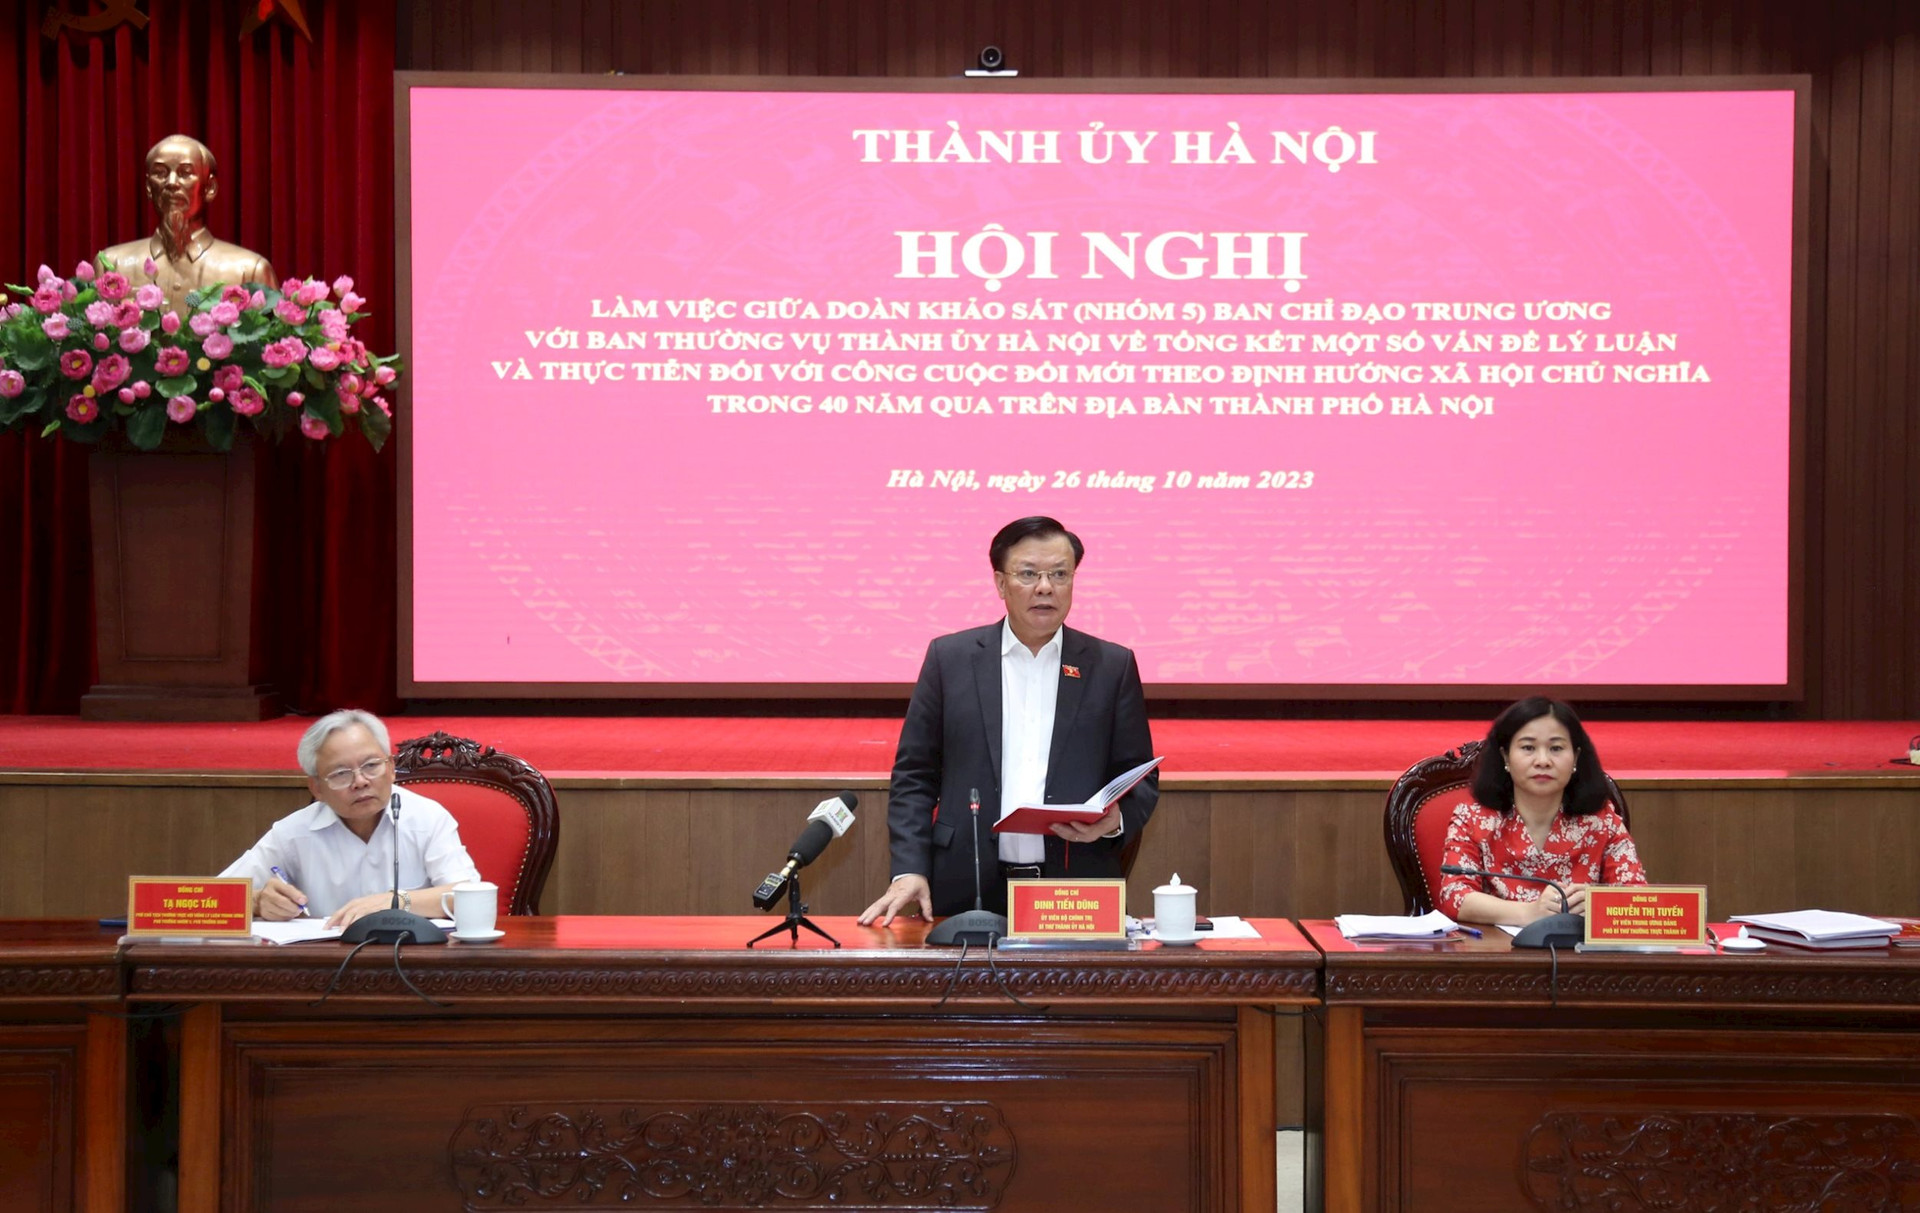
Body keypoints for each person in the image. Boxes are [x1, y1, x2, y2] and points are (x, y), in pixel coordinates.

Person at [859, 516, 1158, 924]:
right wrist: (909, 867)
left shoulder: (1111, 666)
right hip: (966, 885)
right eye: (1028, 574)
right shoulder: (950, 660)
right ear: (1001, 584)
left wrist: (1115, 821)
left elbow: (1140, 777)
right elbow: (915, 775)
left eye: (1060, 574)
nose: (1045, 587)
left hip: (1073, 892)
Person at [221, 710, 479, 928]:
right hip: (326, 967)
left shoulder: (428, 818)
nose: (360, 781)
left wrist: (396, 901)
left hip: (411, 963)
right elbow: (211, 899)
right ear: (317, 788)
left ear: (391, 768)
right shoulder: (293, 833)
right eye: (341, 774)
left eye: (371, 766)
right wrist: (257, 902)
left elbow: (471, 897)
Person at [1435, 696, 1647, 926]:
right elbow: (1454, 896)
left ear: (1575, 757)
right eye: (1528, 748)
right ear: (1506, 756)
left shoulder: (1602, 821)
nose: (1543, 761)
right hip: (1497, 947)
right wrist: (1528, 913)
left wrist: (1598, 904)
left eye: (1556, 748)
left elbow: (1637, 898)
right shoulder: (1473, 819)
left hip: (1576, 948)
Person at [99, 134, 276, 317]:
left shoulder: (249, 271)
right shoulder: (112, 265)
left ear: (210, 187)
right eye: (160, 173)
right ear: (149, 187)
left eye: (185, 173)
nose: (171, 183)